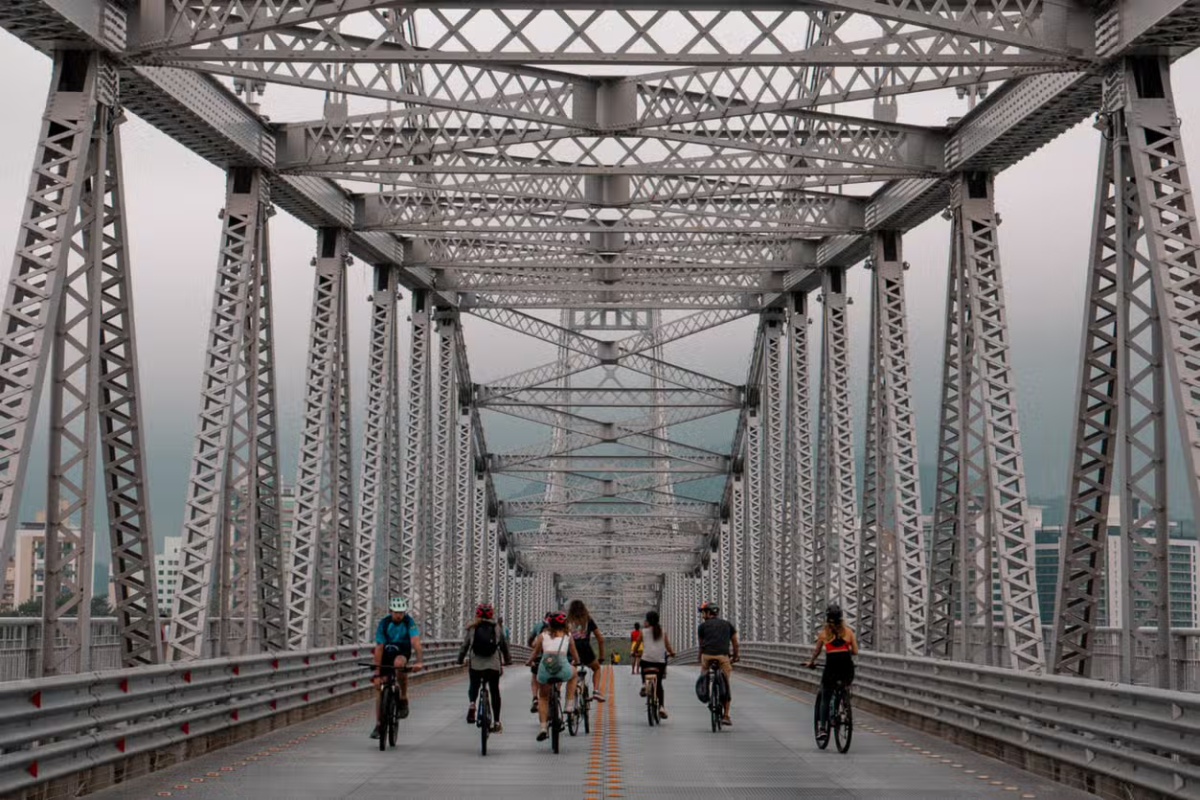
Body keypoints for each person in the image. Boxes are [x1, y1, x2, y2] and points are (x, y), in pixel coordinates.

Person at [370, 597, 424, 739]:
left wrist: (419, 661)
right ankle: (379, 723)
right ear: (390, 611)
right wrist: (376, 674)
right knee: (379, 688)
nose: (399, 615)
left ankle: (404, 697)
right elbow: (379, 648)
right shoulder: (384, 623)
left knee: (399, 664)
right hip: (387, 651)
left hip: (402, 651)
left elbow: (416, 643)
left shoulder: (409, 622)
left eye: (401, 612)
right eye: (396, 612)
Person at [525, 611, 581, 741]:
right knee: (574, 674)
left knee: (543, 697)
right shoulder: (568, 636)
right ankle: (569, 704)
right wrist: (576, 662)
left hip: (545, 670)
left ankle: (543, 728)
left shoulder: (543, 635)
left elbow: (535, 653)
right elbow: (575, 655)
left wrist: (529, 662)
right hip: (562, 669)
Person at [457, 602, 512, 734]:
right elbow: (504, 646)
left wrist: (460, 659)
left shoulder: (472, 627)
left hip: (476, 663)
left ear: (477, 614)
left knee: (474, 685)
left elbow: (465, 646)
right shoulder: (497, 628)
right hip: (493, 664)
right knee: (494, 691)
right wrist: (508, 660)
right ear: (492, 614)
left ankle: (472, 704)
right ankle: (497, 722)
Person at [804, 603, 858, 733]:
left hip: (831, 668)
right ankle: (844, 703)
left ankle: (822, 728)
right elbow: (855, 651)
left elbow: (817, 651)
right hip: (847, 668)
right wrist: (845, 652)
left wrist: (811, 662)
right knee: (843, 686)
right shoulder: (849, 632)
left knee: (825, 697)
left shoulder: (824, 634)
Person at [697, 601, 738, 726]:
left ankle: (707, 693)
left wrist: (699, 657)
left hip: (707, 656)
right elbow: (735, 643)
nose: (703, 615)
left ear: (709, 613)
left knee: (704, 674)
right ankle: (726, 715)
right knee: (725, 683)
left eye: (704, 612)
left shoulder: (702, 627)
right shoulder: (728, 625)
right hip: (722, 657)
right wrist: (735, 656)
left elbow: (701, 645)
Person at [637, 610, 676, 719]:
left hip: (646, 661)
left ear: (647, 621)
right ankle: (662, 707)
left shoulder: (643, 632)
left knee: (642, 662)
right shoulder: (663, 632)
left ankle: (644, 684)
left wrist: (633, 652)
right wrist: (672, 653)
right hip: (660, 663)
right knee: (659, 684)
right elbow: (668, 646)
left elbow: (637, 644)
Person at [566, 599, 606, 702]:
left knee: (571, 671)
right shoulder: (588, 620)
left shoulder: (567, 621)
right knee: (596, 668)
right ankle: (596, 691)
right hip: (585, 649)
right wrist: (601, 656)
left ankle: (569, 701)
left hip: (571, 649)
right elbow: (600, 639)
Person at [527, 611, 554, 714]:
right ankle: (557, 693)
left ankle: (535, 698)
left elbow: (530, 640)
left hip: (539, 657)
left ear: (545, 617)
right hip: (554, 657)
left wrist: (533, 646)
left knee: (535, 676)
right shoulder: (559, 628)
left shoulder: (538, 626)